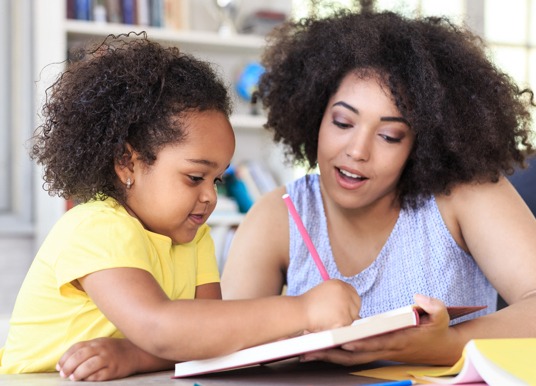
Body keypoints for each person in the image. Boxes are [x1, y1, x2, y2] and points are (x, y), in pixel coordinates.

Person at [0, 33, 361, 381]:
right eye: (194, 177)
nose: (210, 197)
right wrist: (303, 309)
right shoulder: (96, 228)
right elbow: (159, 326)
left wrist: (134, 356)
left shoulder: (194, 239)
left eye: (216, 180)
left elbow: (206, 337)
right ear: (127, 163)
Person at [221, 9, 536, 367]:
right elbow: (219, 343)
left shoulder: (464, 195)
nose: (357, 151)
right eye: (342, 122)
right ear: (315, 114)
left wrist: (448, 343)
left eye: (389, 135)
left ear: (423, 143)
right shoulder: (282, 214)